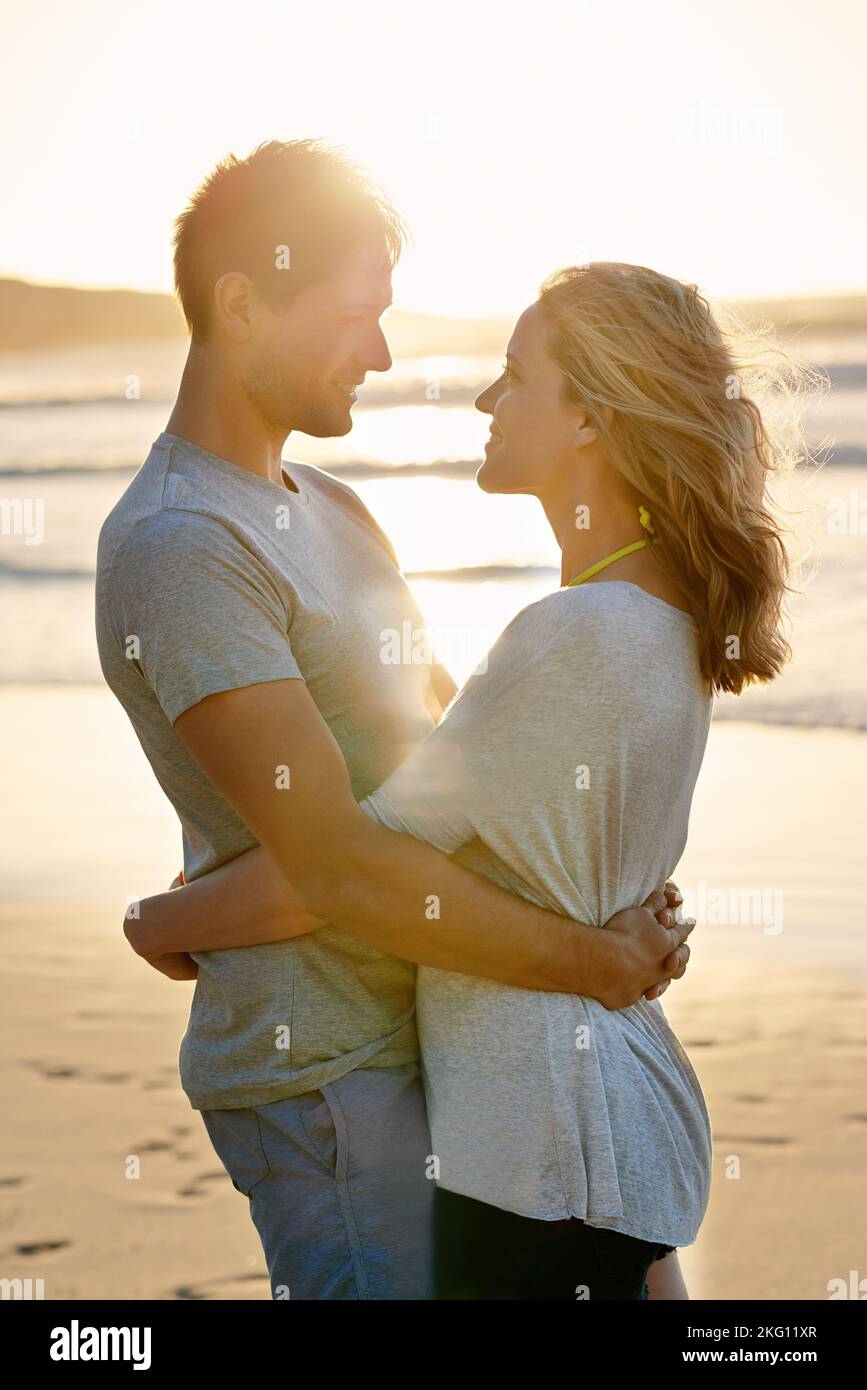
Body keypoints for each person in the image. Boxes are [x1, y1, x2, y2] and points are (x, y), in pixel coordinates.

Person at [125, 257, 800, 1299]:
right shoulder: (654, 619)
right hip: (598, 1134)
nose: (486, 397)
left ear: (591, 416)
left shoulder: (575, 634)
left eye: (514, 375)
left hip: (540, 1160)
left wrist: (164, 922)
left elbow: (339, 868)